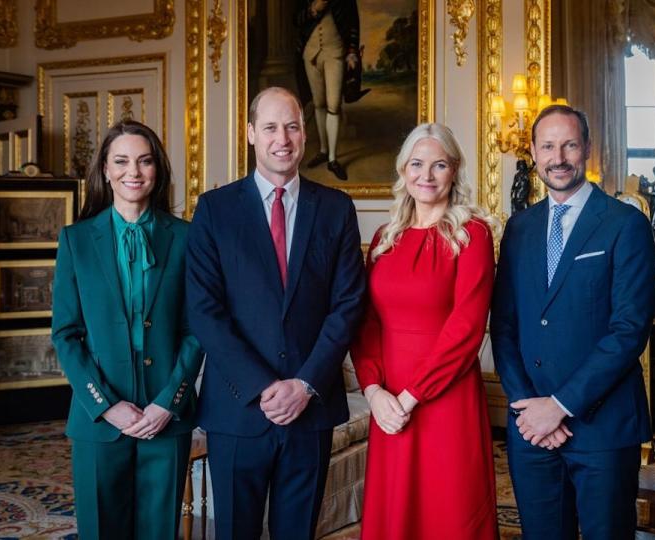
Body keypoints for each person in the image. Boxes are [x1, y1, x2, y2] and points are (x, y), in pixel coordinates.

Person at [186, 86, 366, 540]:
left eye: (291, 126)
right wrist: (264, 387)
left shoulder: (336, 209)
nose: (281, 138)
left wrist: (304, 385)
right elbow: (206, 311)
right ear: (250, 133)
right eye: (270, 127)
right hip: (238, 410)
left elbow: (347, 306)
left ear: (305, 134)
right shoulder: (214, 210)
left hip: (311, 410)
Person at [491, 105, 655, 540]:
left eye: (568, 144)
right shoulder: (519, 229)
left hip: (603, 430)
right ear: (532, 152)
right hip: (531, 431)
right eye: (547, 146)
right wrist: (529, 408)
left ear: (586, 148)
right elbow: (504, 326)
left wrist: (559, 406)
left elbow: (628, 331)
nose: (558, 156)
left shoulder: (626, 224)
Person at [51, 120, 204, 540]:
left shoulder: (187, 238)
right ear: (104, 169)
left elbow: (196, 330)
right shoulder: (76, 240)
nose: (132, 171)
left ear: (158, 170)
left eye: (144, 161)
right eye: (121, 161)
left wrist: (167, 403)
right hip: (98, 416)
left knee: (159, 532)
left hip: (165, 414)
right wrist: (106, 405)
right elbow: (65, 334)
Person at [351, 122, 500, 540]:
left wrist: (411, 396)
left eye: (439, 165)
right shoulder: (384, 238)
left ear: (454, 171)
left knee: (448, 512)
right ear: (402, 170)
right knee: (396, 510)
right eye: (417, 164)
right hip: (389, 403)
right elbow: (366, 323)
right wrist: (373, 391)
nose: (426, 176)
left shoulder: (472, 235)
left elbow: (467, 329)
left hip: (444, 400)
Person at [295, 0, 364, 181]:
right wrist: (312, 10)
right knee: (319, 104)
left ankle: (333, 159)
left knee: (333, 105)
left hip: (335, 52)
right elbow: (296, 20)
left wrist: (352, 51)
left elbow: (353, 23)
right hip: (309, 53)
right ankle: (324, 150)